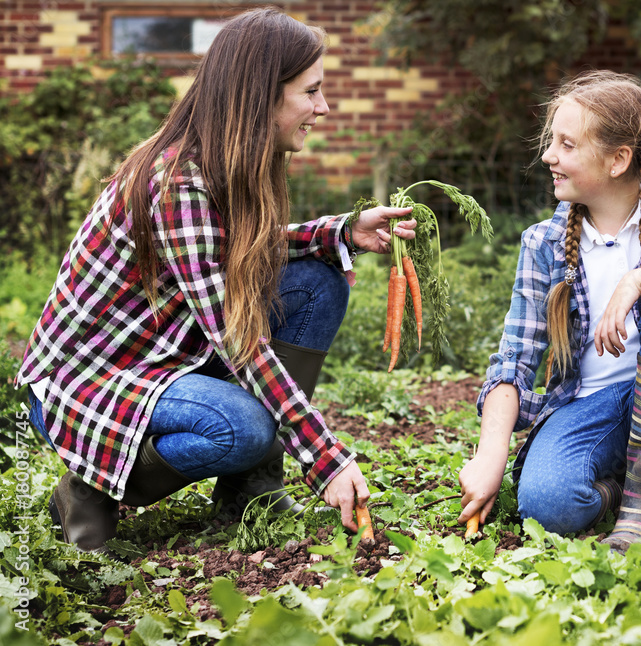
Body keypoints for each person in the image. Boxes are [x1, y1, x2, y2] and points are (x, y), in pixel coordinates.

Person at [15, 8, 415, 553]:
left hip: (164, 349)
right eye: (311, 92)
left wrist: (339, 232)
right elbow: (237, 338)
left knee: (319, 280)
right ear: (262, 96)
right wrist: (325, 458)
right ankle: (89, 488)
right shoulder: (177, 181)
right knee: (245, 427)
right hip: (89, 379)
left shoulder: (230, 161)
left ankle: (249, 489)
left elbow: (240, 247)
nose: (323, 107)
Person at [457, 70, 641, 552]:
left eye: (567, 144)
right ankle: (631, 489)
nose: (548, 156)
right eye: (551, 141)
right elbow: (514, 358)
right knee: (546, 504)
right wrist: (491, 453)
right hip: (591, 404)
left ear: (618, 159)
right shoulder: (544, 243)